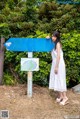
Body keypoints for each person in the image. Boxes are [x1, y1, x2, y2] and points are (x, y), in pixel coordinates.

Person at [46, 31, 68, 105]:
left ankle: (65, 97)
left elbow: (58, 56)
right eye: (52, 36)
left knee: (60, 79)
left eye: (54, 36)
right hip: (55, 62)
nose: (53, 37)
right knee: (56, 79)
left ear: (57, 37)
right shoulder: (53, 43)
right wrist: (48, 38)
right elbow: (48, 44)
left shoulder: (58, 44)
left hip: (59, 64)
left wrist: (56, 67)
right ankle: (61, 96)